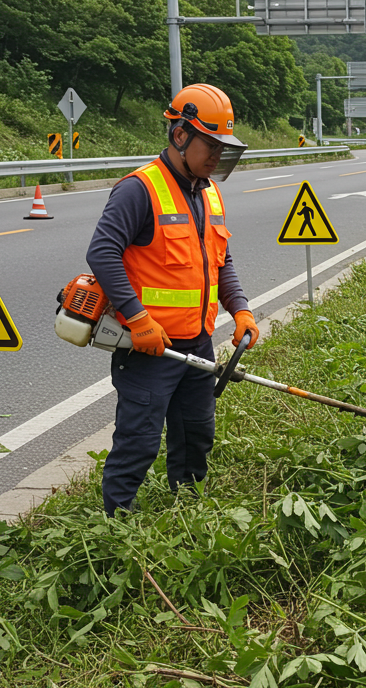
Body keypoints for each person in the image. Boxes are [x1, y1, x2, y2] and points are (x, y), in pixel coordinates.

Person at [86, 83, 261, 516]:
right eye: (212, 144)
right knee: (139, 440)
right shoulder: (139, 189)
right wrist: (138, 318)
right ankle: (116, 522)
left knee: (196, 433)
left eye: (225, 147)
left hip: (197, 343)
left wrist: (239, 307)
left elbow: (221, 260)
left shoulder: (209, 192)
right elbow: (102, 252)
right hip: (150, 347)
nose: (219, 156)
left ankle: (187, 508)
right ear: (180, 134)